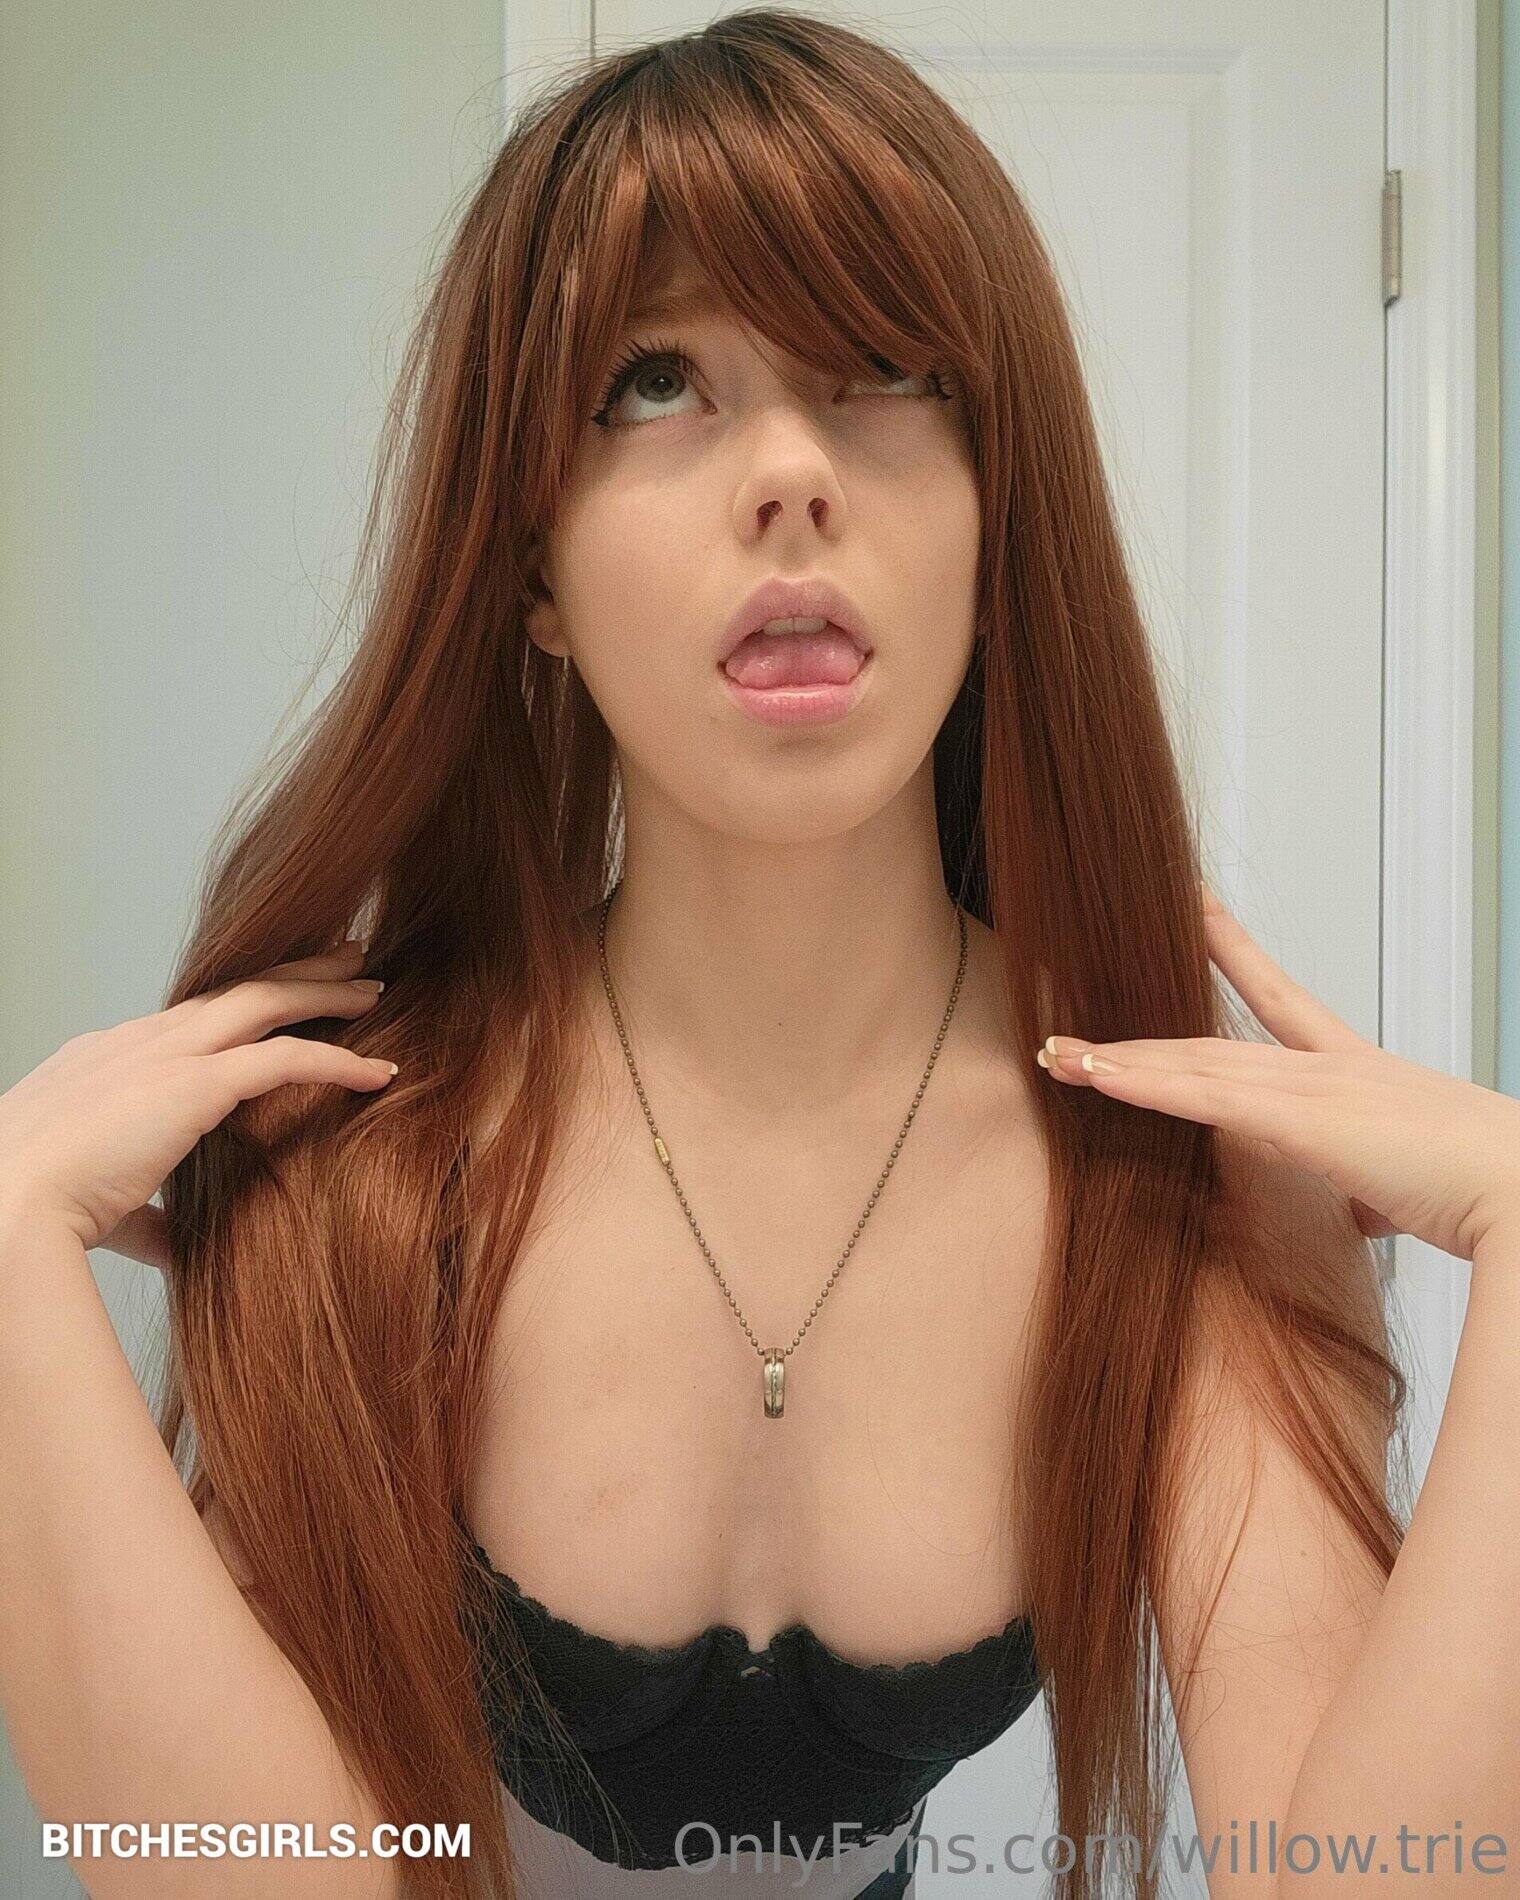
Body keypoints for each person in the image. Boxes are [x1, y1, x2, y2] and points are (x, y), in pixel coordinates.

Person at [3, 9, 1518, 1898]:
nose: (792, 471)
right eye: (655, 383)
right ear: (532, 568)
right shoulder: (367, 1149)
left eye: (884, 367)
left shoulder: (1171, 1178)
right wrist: (9, 1243)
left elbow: (1375, 1874)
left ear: (997, 513)